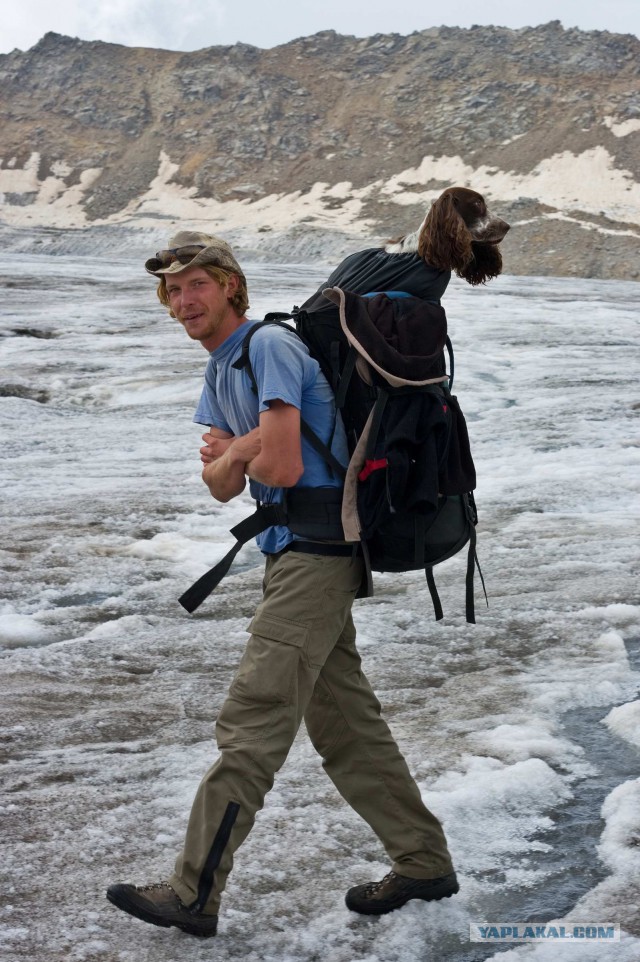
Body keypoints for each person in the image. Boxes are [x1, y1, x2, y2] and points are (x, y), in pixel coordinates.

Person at [106, 231, 459, 939]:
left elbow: (284, 468)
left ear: (230, 285)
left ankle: (192, 891)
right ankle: (423, 862)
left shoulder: (268, 347)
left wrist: (238, 451)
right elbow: (217, 487)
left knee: (254, 723)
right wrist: (242, 453)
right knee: (346, 727)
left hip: (315, 555)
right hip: (290, 554)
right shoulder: (220, 369)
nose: (183, 301)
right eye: (173, 291)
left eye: (196, 284)